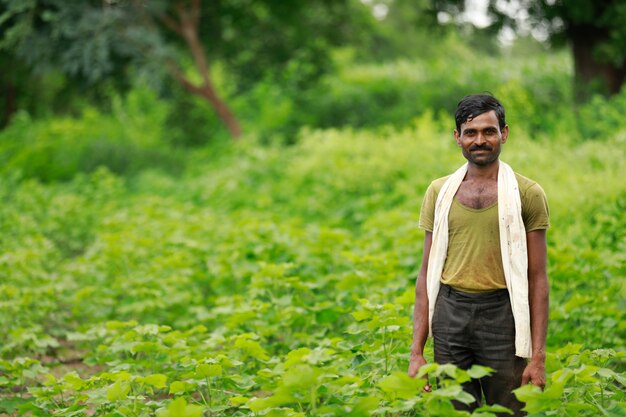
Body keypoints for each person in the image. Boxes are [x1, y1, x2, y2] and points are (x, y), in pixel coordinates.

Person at [407, 94, 549, 416]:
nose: (480, 140)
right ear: (457, 137)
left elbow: (537, 277)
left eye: (489, 131)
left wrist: (537, 356)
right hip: (450, 314)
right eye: (470, 132)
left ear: (504, 133)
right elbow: (426, 271)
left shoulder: (527, 194)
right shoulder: (439, 192)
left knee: (509, 410)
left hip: (503, 316)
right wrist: (416, 350)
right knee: (454, 409)